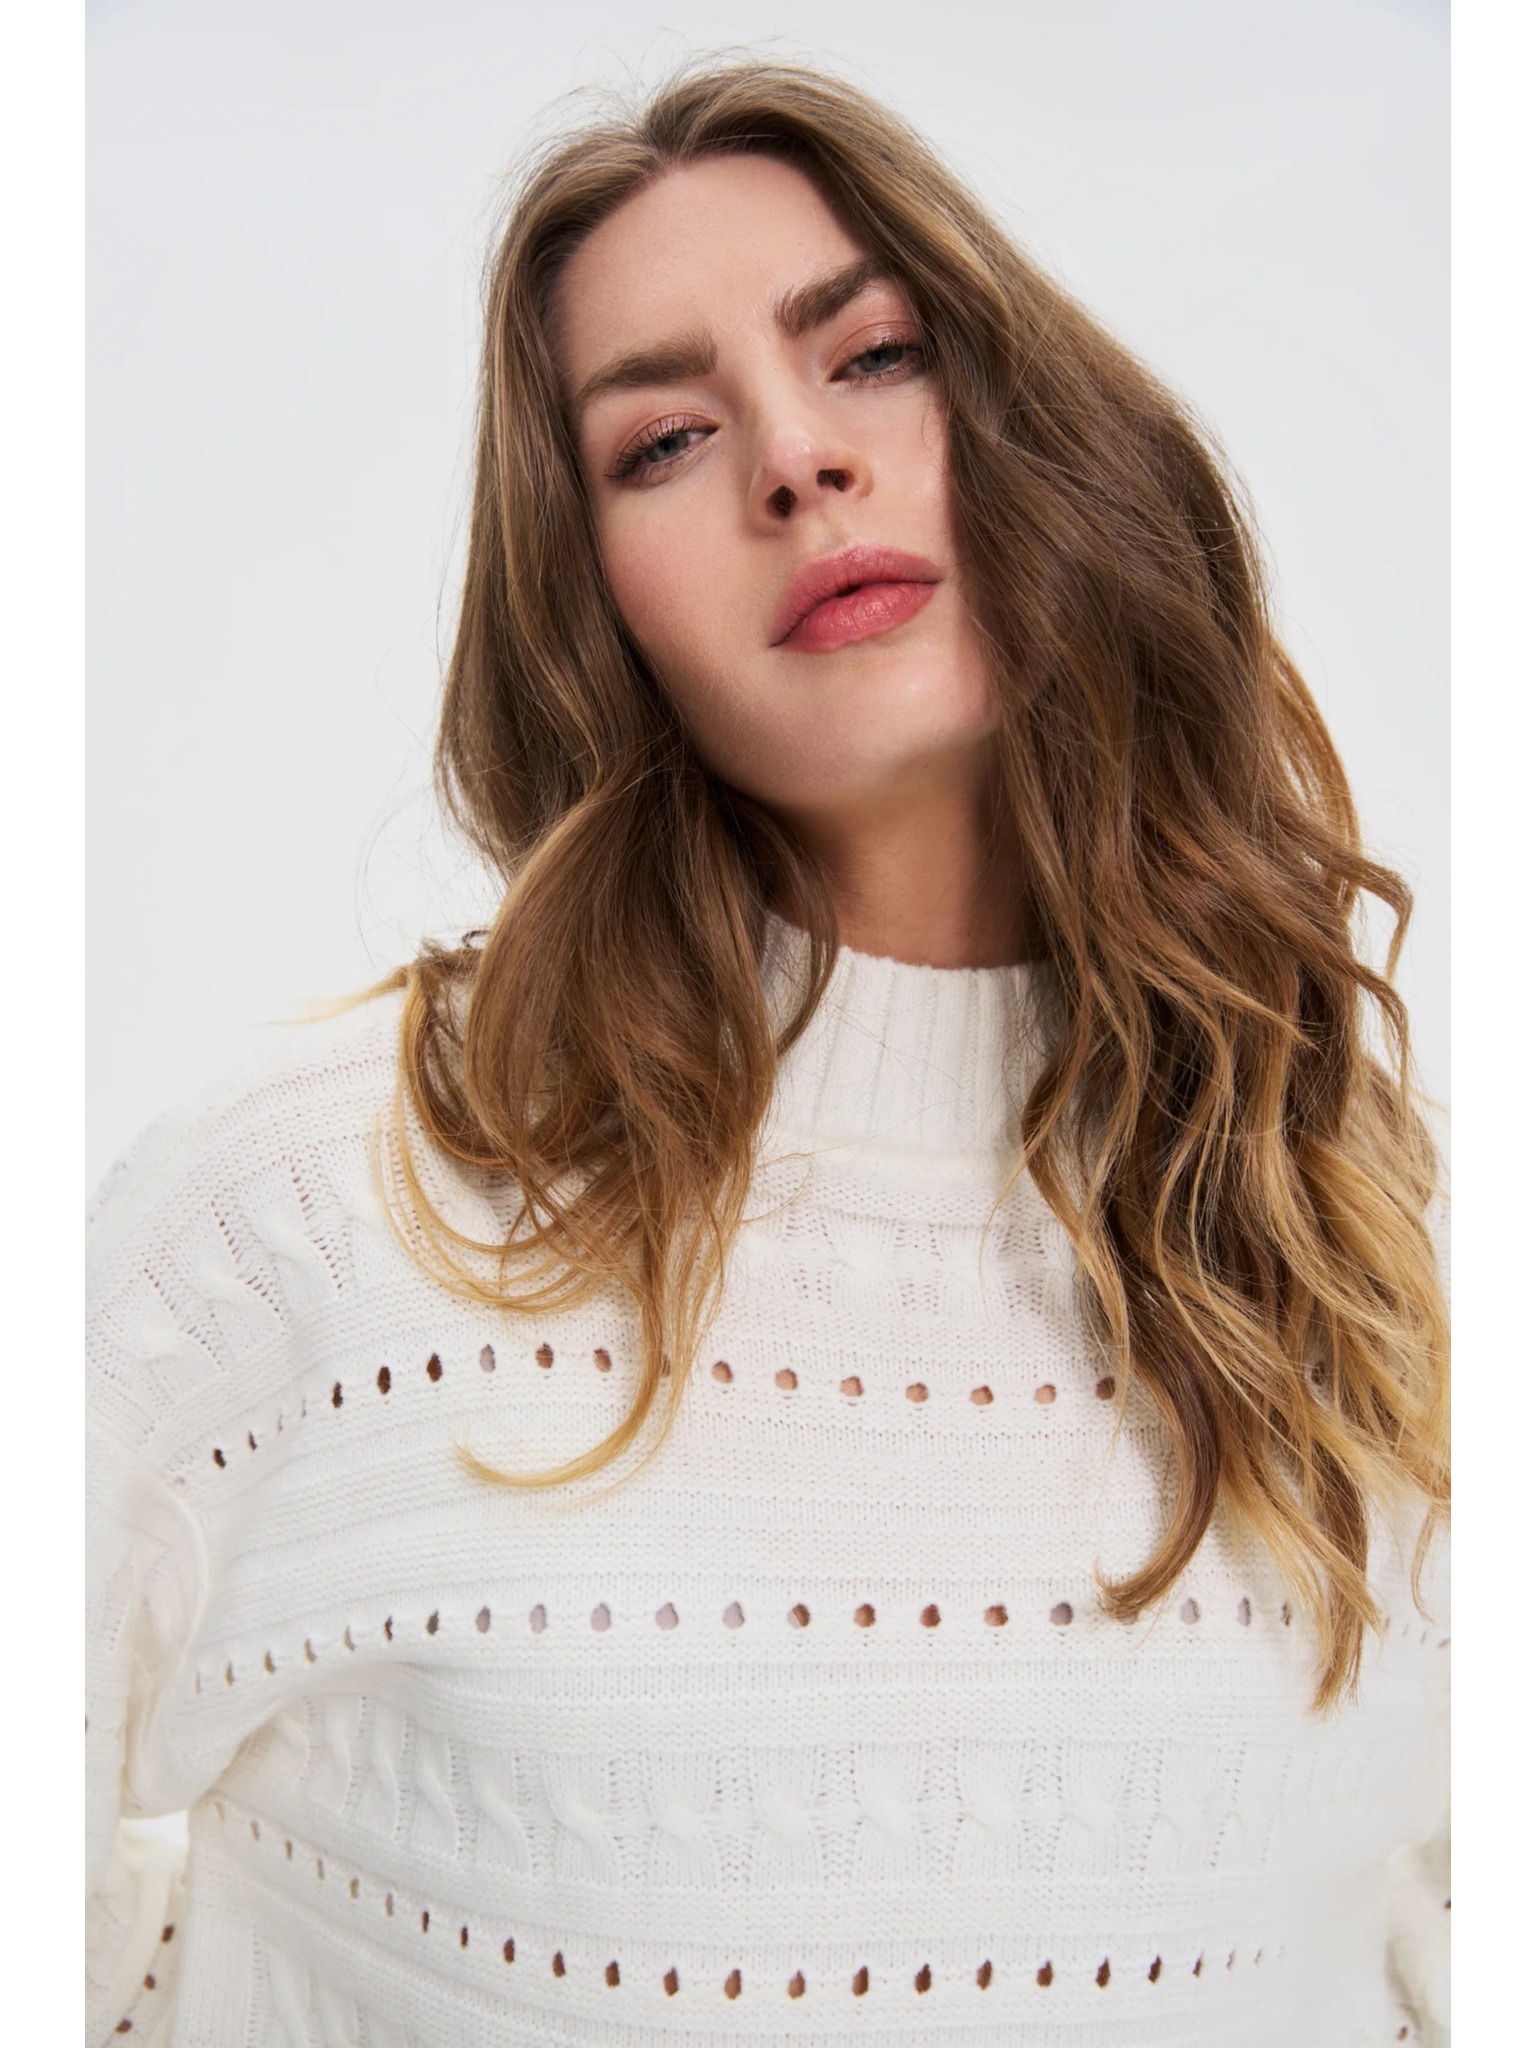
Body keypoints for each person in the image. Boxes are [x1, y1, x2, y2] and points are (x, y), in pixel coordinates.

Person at [85, 58, 1450, 2047]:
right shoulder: (316, 1213)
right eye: (662, 441)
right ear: (591, 604)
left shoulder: (1352, 1234)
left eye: (873, 355)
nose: (799, 462)